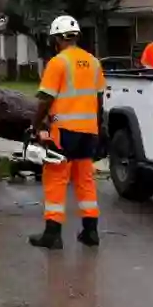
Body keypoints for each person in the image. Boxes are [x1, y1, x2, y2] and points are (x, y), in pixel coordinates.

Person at [30, 15, 106, 250]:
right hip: (88, 132)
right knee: (85, 180)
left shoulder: (58, 62)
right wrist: (98, 127)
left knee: (55, 179)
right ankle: (91, 231)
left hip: (64, 132)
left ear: (56, 39)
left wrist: (35, 124)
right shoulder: (93, 62)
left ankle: (52, 234)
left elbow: (46, 99)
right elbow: (99, 99)